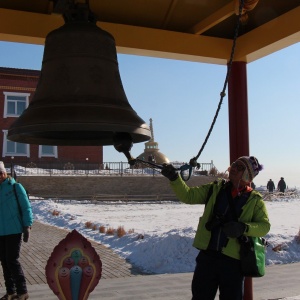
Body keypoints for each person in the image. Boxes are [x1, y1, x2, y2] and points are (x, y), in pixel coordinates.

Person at [161, 156, 270, 300]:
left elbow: (264, 226)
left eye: (240, 167)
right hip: (207, 258)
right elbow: (189, 196)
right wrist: (175, 178)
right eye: (234, 164)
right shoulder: (215, 188)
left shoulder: (255, 200)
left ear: (247, 175)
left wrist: (243, 227)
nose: (234, 168)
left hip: (233, 263)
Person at [0, 162, 33, 300]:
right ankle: (11, 291)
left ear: (4, 173)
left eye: (0, 173)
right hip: (1, 231)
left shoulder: (15, 187)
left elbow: (26, 207)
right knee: (4, 261)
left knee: (12, 260)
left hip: (14, 230)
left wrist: (27, 226)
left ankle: (22, 291)